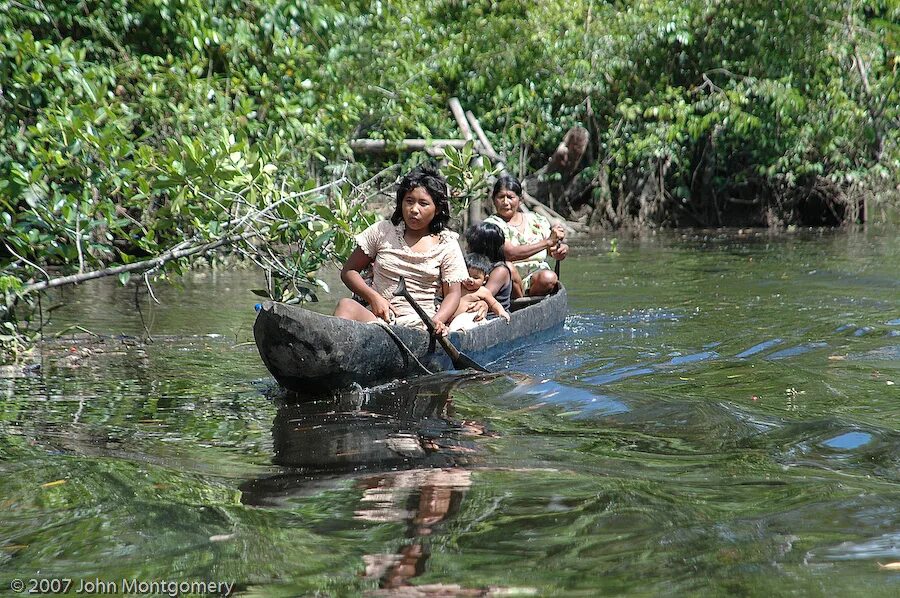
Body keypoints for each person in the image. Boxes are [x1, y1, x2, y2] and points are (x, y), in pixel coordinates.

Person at [334, 165, 467, 336]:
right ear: (401, 202)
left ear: (438, 209)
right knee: (346, 306)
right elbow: (349, 271)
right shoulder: (382, 231)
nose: (414, 209)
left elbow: (453, 294)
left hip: (421, 326)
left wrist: (436, 321)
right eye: (409, 201)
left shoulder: (446, 244)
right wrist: (374, 298)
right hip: (377, 319)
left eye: (423, 204)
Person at [483, 174, 569, 297]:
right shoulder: (490, 225)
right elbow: (510, 253)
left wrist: (561, 250)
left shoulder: (536, 220)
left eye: (510, 197)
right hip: (507, 282)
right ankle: (520, 301)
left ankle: (531, 298)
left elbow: (552, 250)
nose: (505, 202)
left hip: (536, 278)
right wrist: (547, 242)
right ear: (493, 199)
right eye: (501, 197)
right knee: (508, 268)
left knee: (548, 277)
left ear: (520, 199)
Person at [449, 253, 510, 331]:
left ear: (485, 279)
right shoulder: (457, 287)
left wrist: (501, 312)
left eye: (476, 277)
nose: (470, 280)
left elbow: (494, 304)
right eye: (467, 275)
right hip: (452, 322)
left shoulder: (483, 292)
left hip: (472, 321)